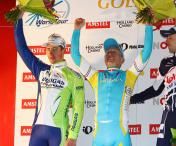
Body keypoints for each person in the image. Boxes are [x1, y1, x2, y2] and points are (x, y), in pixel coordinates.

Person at [71, 18, 153, 146]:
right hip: (99, 137)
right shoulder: (95, 76)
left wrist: (148, 25)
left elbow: (146, 52)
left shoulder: (129, 75)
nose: (109, 54)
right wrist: (76, 30)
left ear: (122, 59)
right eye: (107, 52)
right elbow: (75, 56)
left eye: (113, 52)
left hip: (120, 135)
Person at [14, 14, 85, 146]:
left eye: (54, 49)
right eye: (48, 49)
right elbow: (22, 48)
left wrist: (73, 136)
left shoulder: (74, 77)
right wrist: (18, 19)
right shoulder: (41, 70)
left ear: (63, 50)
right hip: (37, 131)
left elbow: (78, 107)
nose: (50, 52)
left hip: (58, 132)